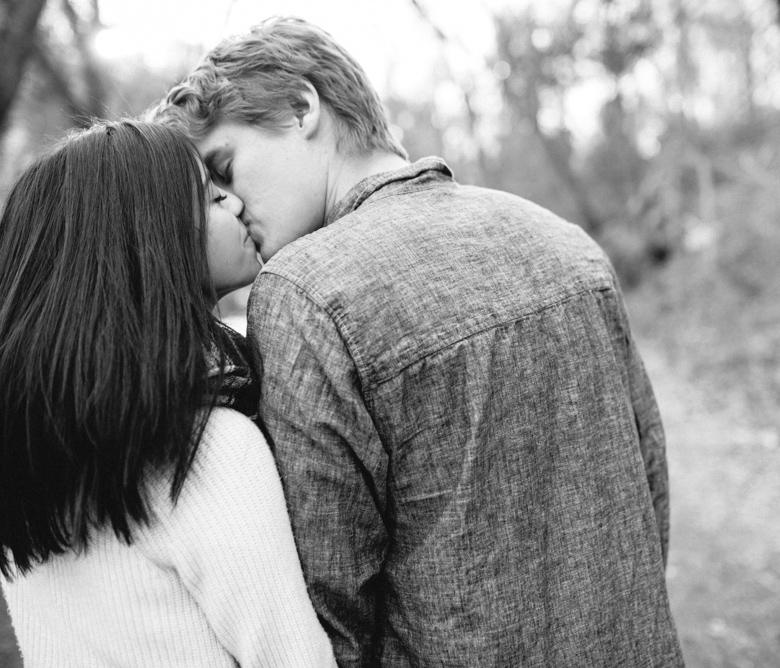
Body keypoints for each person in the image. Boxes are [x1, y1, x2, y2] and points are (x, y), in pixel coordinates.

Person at [153, 16, 685, 667]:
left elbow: (330, 621)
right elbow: (648, 496)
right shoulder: (567, 244)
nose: (230, 205)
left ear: (302, 107)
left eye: (225, 168)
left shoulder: (306, 292)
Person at [0, 120, 336, 668]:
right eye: (210, 196)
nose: (235, 202)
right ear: (149, 240)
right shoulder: (209, 452)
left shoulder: (27, 463)